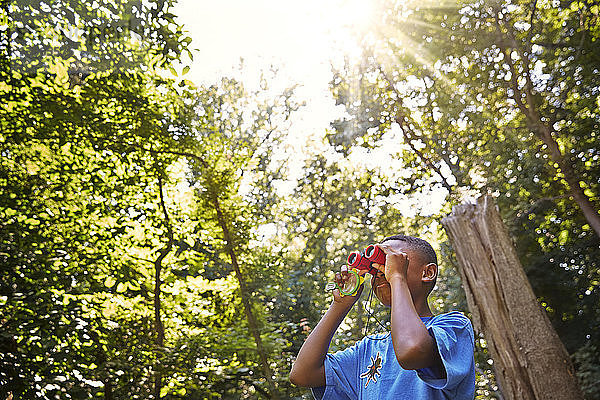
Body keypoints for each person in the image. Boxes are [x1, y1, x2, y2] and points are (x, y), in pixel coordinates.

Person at [289, 234, 475, 399]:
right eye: (376, 268)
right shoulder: (369, 347)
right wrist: (340, 305)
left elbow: (412, 350)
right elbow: (303, 374)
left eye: (391, 260)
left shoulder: (454, 327)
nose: (381, 271)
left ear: (427, 272)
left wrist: (396, 277)